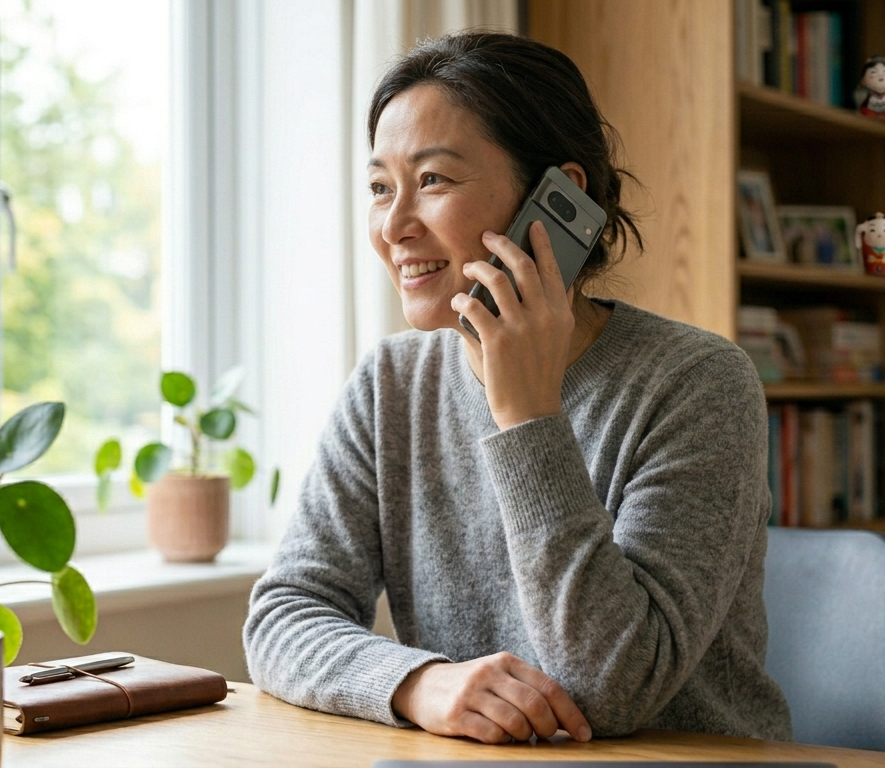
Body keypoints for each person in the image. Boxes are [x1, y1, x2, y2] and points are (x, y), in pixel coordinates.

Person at [243, 32, 793, 745]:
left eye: (433, 180)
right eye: (381, 187)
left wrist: (527, 417)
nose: (394, 226)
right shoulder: (390, 383)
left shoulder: (697, 383)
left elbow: (613, 687)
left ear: (556, 195)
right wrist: (417, 683)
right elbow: (284, 614)